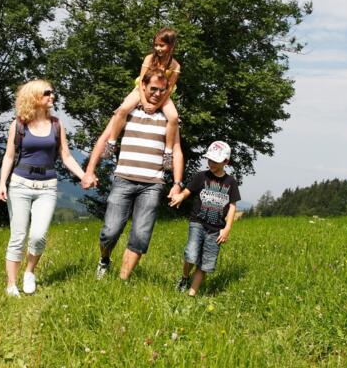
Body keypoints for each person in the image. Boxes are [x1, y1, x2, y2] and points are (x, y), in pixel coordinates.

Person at [82, 69, 184, 280]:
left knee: (140, 236)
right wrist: (90, 171)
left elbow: (176, 151)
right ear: (143, 87)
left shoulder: (168, 118)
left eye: (161, 90)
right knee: (110, 232)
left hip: (152, 184)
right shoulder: (127, 111)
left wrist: (177, 183)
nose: (156, 93)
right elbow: (103, 139)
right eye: (153, 89)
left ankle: (122, 280)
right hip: (124, 179)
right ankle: (104, 259)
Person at [0, 79, 85, 296]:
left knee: (38, 236)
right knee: (17, 236)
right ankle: (11, 285)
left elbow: (65, 155)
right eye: (47, 93)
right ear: (34, 97)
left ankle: (29, 272)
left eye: (52, 93)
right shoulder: (18, 125)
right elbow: (9, 156)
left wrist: (84, 175)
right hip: (20, 184)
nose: (52, 96)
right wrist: (2, 183)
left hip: (47, 186)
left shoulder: (56, 124)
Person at [101, 28, 181, 170]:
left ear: (171, 46)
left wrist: (157, 106)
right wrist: (144, 102)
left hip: (161, 94)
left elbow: (168, 89)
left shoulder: (175, 66)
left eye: (161, 45)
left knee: (174, 117)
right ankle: (111, 142)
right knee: (124, 108)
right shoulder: (149, 59)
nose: (158, 48)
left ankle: (168, 153)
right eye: (156, 45)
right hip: (142, 89)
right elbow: (142, 82)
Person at [169, 141, 240, 296]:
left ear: (226, 161)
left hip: (216, 230)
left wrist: (227, 228)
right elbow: (188, 190)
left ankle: (191, 295)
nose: (211, 163)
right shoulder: (201, 176)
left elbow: (233, 206)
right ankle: (184, 278)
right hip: (198, 223)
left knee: (206, 263)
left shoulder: (231, 182)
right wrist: (180, 196)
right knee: (191, 254)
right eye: (210, 160)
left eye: (216, 161)